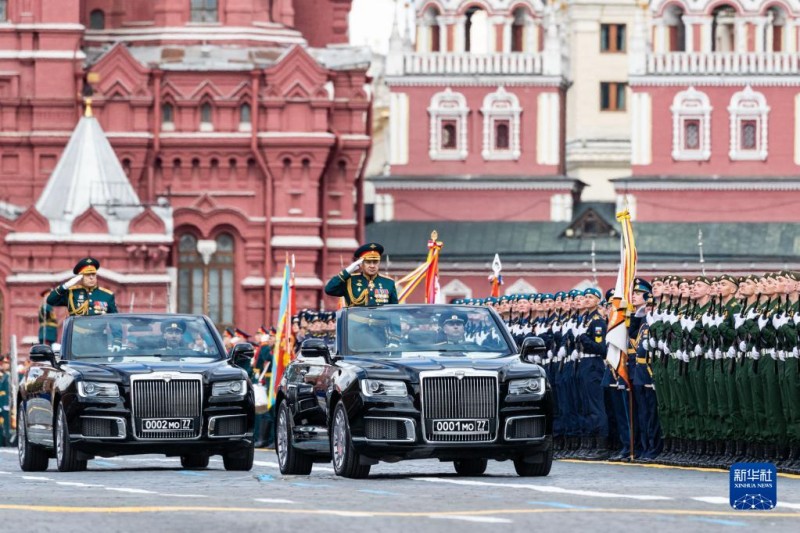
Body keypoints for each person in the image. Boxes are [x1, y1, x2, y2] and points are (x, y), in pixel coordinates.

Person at [324, 242, 398, 307]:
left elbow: (394, 311)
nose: (372, 266)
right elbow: (329, 289)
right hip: (357, 323)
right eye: (368, 262)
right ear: (361, 264)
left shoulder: (389, 283)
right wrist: (347, 271)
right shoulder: (350, 281)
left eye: (375, 262)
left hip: (381, 323)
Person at [47, 257, 118, 316]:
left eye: (93, 274)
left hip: (99, 333)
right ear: (80, 277)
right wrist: (65, 286)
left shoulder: (107, 295)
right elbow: (51, 300)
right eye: (87, 274)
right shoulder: (72, 293)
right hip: (77, 332)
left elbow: (115, 319)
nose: (91, 277)